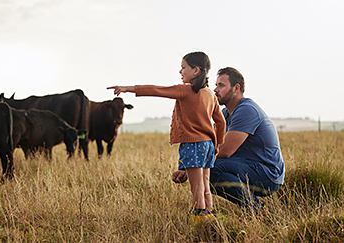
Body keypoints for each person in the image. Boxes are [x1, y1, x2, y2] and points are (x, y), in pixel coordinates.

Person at [107, 51, 226, 226]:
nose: (180, 71)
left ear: (196, 70)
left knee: (196, 190)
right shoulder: (210, 95)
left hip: (192, 144)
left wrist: (127, 88)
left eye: (183, 67)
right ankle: (212, 221)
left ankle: (198, 226)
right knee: (206, 188)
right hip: (208, 145)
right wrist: (218, 144)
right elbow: (220, 122)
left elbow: (156, 90)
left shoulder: (185, 90)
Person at [172, 67, 285, 211]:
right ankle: (251, 208)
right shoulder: (225, 114)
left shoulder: (247, 110)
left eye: (221, 85)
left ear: (236, 88)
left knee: (209, 170)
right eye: (216, 85)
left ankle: (256, 210)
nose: (215, 90)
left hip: (268, 175)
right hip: (248, 167)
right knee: (205, 169)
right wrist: (184, 166)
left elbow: (225, 151)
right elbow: (205, 142)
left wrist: (192, 166)